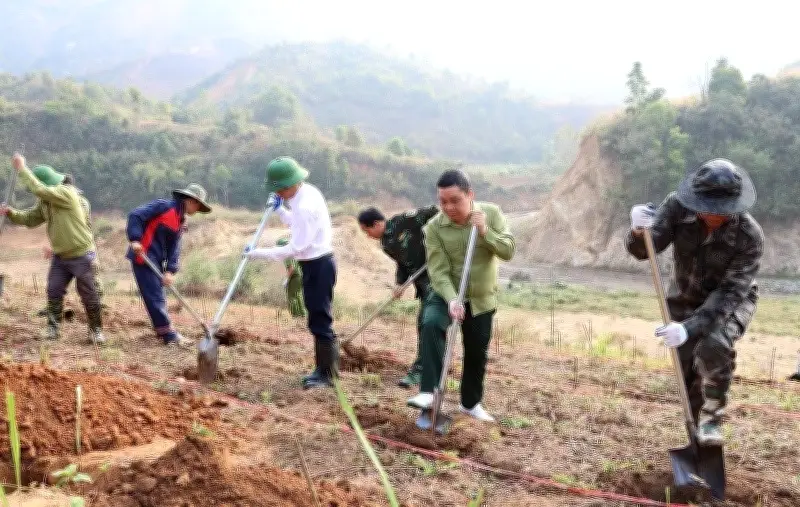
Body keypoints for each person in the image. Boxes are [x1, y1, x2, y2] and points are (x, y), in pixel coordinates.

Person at [626, 158, 763, 446]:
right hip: (686, 296)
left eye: (721, 211)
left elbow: (728, 294)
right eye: (707, 208)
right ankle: (695, 443)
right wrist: (639, 231)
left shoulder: (749, 237)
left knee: (714, 345)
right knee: (686, 371)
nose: (713, 215)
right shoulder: (677, 206)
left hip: (731, 300)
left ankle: (712, 420)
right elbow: (647, 250)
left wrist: (690, 327)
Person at [407, 169, 515, 425]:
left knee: (477, 352)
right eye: (442, 201)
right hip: (446, 293)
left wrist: (486, 231)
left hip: (480, 297)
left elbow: (508, 251)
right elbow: (438, 271)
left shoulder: (492, 213)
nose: (448, 207)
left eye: (455, 200)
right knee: (431, 323)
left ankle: (470, 404)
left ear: (470, 195)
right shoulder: (433, 228)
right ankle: (429, 393)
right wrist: (452, 299)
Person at [246, 156, 337, 389]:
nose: (277, 194)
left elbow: (295, 247)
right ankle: (323, 369)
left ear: (287, 186)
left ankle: (327, 374)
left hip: (318, 265)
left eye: (278, 190)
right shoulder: (305, 193)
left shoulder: (305, 206)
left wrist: (257, 253)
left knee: (320, 319)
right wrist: (281, 210)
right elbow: (295, 224)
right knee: (317, 317)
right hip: (314, 263)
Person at [0, 154, 105, 343]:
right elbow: (30, 219)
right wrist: (11, 213)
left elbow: (39, 189)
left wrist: (22, 169)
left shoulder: (67, 193)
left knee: (89, 294)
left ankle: (96, 330)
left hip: (81, 254)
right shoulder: (45, 202)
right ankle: (53, 329)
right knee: (54, 291)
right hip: (61, 257)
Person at [358, 204, 439, 387]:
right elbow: (403, 264)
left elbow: (433, 211)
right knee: (427, 325)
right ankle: (428, 368)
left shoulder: (404, 220)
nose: (367, 235)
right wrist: (399, 284)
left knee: (427, 323)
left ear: (377, 224)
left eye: (367, 230)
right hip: (423, 283)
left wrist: (444, 235)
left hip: (437, 276)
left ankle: (422, 371)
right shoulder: (386, 244)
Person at [126, 184, 212, 346]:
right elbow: (135, 215)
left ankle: (164, 331)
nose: (197, 209)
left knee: (158, 295)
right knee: (155, 295)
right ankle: (169, 335)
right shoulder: (164, 206)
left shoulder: (181, 221)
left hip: (156, 259)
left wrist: (170, 271)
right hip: (143, 255)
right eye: (198, 205)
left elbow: (175, 248)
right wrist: (135, 239)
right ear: (191, 201)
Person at [277, 236, 306, 318]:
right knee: (298, 295)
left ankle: (296, 315)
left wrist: (287, 279)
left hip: (295, 277)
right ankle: (303, 314)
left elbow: (291, 268)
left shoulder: (287, 254)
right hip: (300, 275)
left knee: (292, 296)